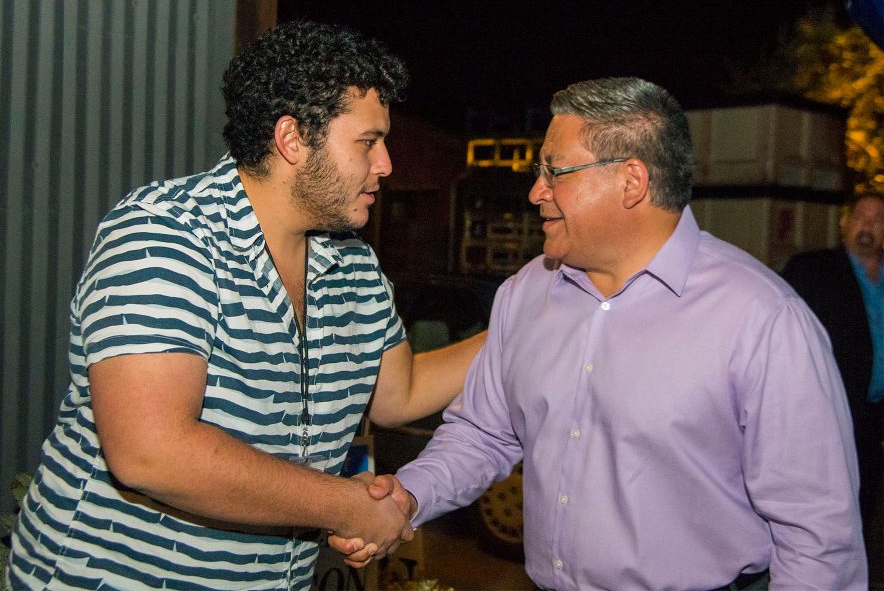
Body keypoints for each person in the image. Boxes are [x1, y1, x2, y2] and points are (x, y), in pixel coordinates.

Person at [332, 77, 867, 589]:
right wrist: (409, 496)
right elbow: (483, 434)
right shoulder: (527, 294)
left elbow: (818, 542)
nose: (536, 191)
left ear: (631, 181)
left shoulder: (762, 319)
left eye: (554, 170)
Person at [7, 20, 484, 590]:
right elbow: (150, 450)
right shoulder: (165, 235)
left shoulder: (352, 263)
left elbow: (398, 392)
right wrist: (344, 505)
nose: (386, 165)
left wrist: (526, 323)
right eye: (367, 141)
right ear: (292, 139)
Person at [782, 192, 884, 550]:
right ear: (846, 224)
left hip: (873, 416)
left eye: (877, 219)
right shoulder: (815, 271)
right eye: (860, 217)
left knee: (865, 500)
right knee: (823, 505)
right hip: (827, 411)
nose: (867, 227)